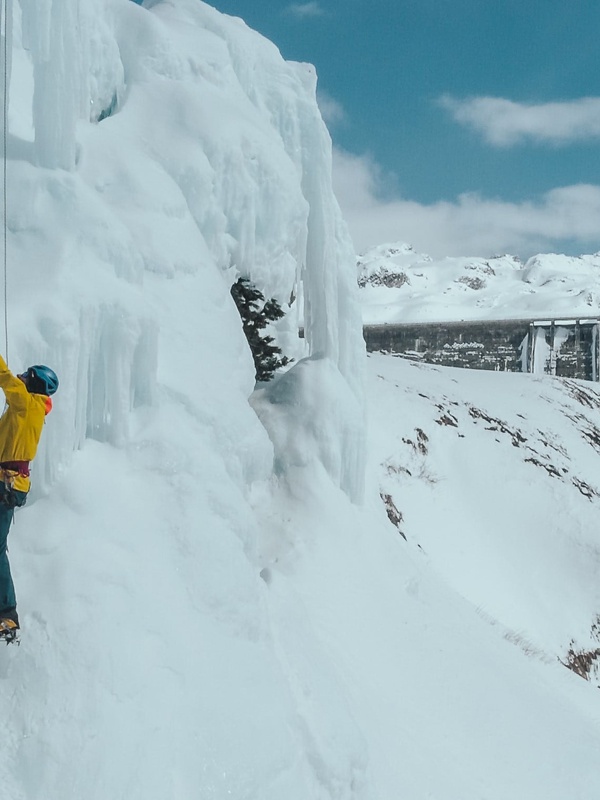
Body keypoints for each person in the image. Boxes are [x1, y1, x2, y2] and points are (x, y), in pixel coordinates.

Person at [0, 357, 58, 642]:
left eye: (27, 374)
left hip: (5, 483)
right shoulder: (32, 409)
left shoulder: (25, 402)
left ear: (35, 383)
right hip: (10, 484)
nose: (22, 376)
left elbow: (3, 375)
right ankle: (6, 613)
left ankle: (7, 613)